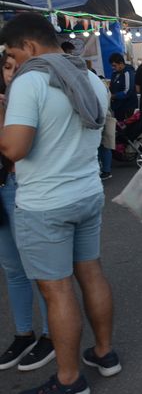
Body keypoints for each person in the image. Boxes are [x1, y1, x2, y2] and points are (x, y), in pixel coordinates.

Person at [0, 13, 120, 394]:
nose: (12, 62)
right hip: (86, 193)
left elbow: (14, 149)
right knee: (92, 274)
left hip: (44, 203)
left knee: (58, 290)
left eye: (12, 53)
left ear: (29, 47)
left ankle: (69, 380)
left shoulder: (31, 81)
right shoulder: (88, 79)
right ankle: (104, 353)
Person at [0, 51, 54, 373]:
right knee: (12, 268)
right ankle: (23, 333)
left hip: (25, 188)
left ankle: (51, 335)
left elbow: (17, 148)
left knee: (38, 268)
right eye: (7, 67)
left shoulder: (31, 97)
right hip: (3, 185)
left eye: (17, 67)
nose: (11, 72)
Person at [108, 53, 137, 121]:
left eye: (114, 65)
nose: (112, 68)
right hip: (118, 106)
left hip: (127, 107)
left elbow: (127, 91)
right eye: (112, 66)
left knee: (127, 128)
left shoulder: (128, 73)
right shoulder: (115, 73)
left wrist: (113, 96)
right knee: (119, 128)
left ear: (121, 63)